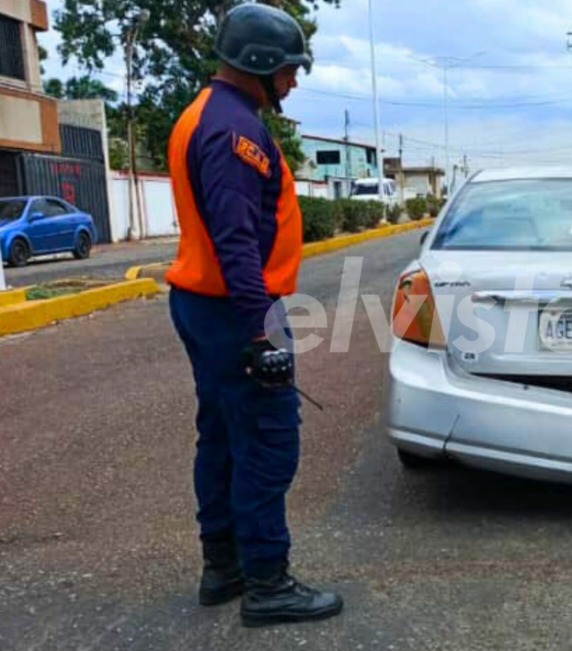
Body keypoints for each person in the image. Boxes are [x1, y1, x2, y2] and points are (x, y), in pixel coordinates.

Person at [165, 3, 343, 627]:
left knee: (221, 436)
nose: (294, 81)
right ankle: (267, 582)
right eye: (290, 70)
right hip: (234, 309)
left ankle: (225, 568)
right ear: (261, 65)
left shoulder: (204, 115)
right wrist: (257, 335)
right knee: (267, 441)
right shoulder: (232, 132)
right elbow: (235, 241)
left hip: (206, 304)